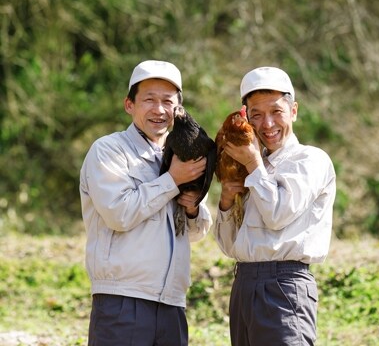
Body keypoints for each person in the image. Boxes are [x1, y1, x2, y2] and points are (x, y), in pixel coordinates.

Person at [80, 60, 213, 346]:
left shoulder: (183, 153)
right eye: (149, 100)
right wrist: (172, 180)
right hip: (122, 300)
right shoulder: (109, 150)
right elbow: (119, 214)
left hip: (172, 302)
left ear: (179, 109)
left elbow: (198, 231)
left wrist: (192, 208)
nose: (159, 110)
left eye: (168, 101)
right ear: (129, 104)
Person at [214, 66, 336, 346]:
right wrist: (226, 202)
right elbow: (231, 247)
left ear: (293, 110)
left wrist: (254, 164)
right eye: (256, 114)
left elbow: (278, 214)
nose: (267, 124)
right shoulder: (248, 166)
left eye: (276, 111)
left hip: (284, 286)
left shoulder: (310, 160)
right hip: (243, 285)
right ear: (246, 116)